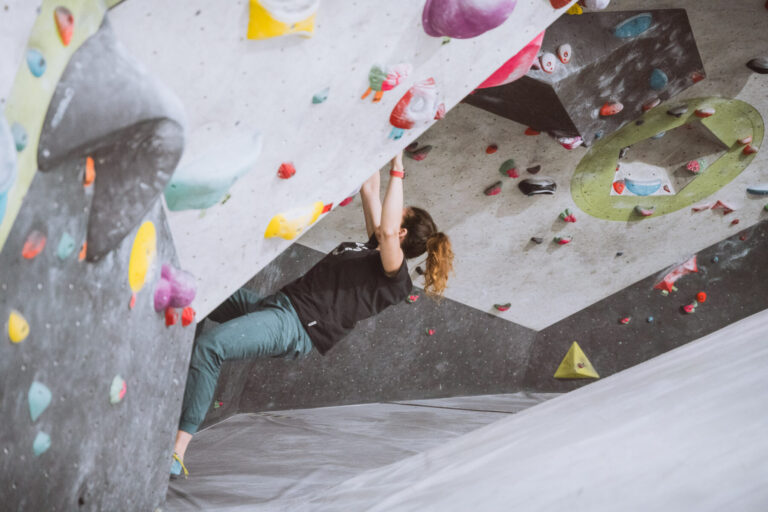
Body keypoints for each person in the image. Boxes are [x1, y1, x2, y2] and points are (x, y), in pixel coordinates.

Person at [170, 152, 454, 477]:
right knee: (200, 290)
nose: (387, 221)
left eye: (397, 216)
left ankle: (178, 450)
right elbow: (370, 189)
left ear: (401, 233)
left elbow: (388, 231)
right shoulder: (371, 247)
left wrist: (398, 167)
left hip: (295, 327)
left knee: (211, 347)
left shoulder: (395, 278)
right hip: (278, 306)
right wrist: (387, 147)